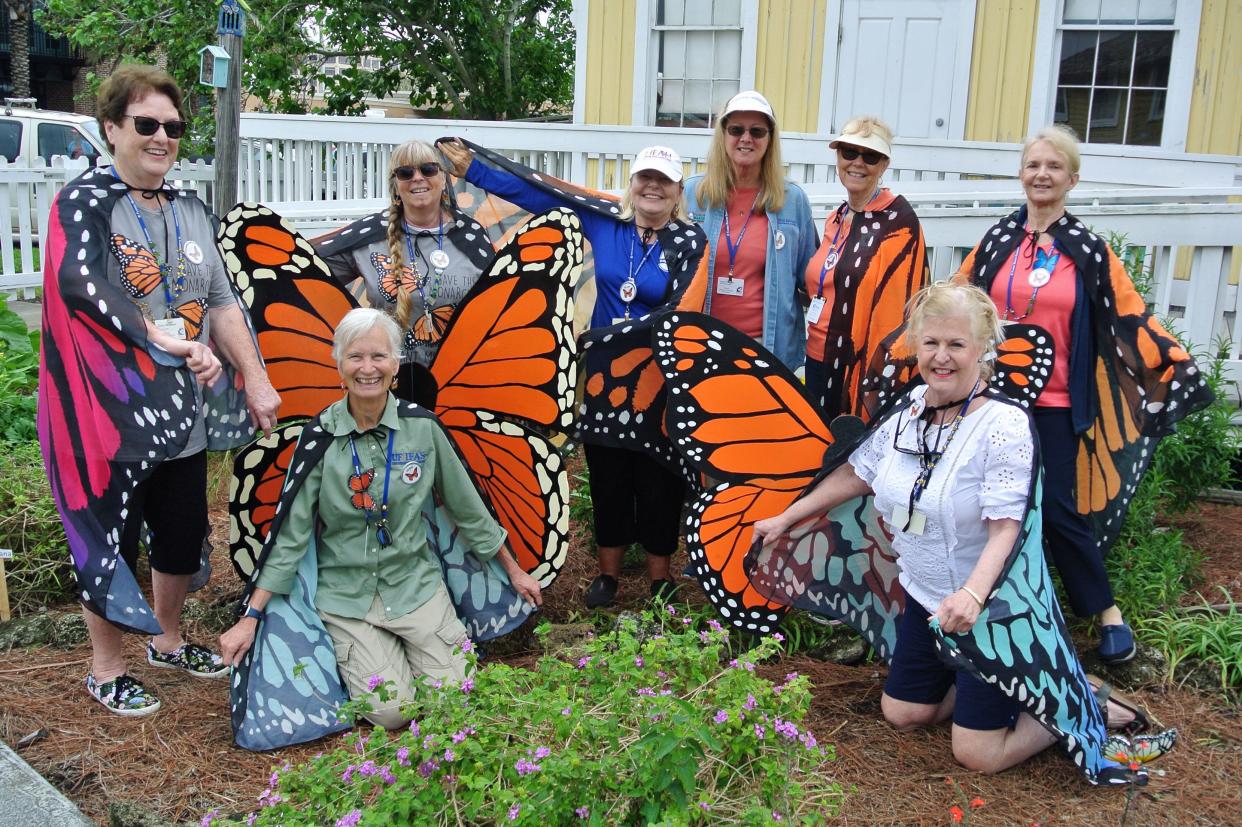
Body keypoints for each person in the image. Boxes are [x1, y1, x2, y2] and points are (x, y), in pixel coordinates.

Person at [752, 282, 1144, 777]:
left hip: (989, 613)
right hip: (926, 598)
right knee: (903, 713)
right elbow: (858, 473)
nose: (942, 357)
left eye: (957, 345)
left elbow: (1008, 530)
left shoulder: (1003, 425)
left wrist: (973, 596)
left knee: (977, 755)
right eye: (931, 343)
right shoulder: (912, 408)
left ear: (983, 351)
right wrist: (789, 516)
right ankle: (1017, 686)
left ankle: (1067, 703)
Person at [37, 64, 281, 717]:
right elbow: (80, 285)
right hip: (107, 414)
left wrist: (255, 378)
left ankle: (167, 641)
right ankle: (107, 666)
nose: (161, 137)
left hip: (183, 416)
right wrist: (162, 339)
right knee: (109, 534)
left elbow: (224, 301)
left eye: (172, 127)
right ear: (111, 127)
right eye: (146, 124)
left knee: (179, 532)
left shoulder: (190, 208)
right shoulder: (83, 202)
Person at [954, 125, 1213, 663]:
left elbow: (1130, 313)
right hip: (993, 402)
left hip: (1054, 404)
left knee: (1059, 513)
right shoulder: (998, 241)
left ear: (1072, 178)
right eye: (1033, 165)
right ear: (1021, 175)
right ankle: (991, 603)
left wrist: (1172, 366)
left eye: (1053, 167)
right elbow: (955, 301)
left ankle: (1106, 614)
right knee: (986, 506)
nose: (1041, 175)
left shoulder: (1089, 251)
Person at [219, 308, 541, 729]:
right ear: (339, 365)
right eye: (355, 357)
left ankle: (411, 653)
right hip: (348, 598)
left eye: (378, 357)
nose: (367, 368)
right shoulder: (319, 439)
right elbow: (290, 536)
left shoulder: (422, 429)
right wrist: (250, 618)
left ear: (394, 365)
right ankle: (367, 658)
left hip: (416, 586)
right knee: (391, 713)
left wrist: (514, 571)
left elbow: (468, 508)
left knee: (456, 701)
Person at [440, 139, 707, 608]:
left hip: (658, 381)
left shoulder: (691, 241)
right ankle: (608, 577)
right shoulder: (606, 220)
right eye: (645, 177)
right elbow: (544, 194)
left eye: (663, 181)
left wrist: (623, 336)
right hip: (604, 381)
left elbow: (682, 307)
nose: (652, 187)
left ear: (678, 190)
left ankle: (660, 580)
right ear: (632, 183)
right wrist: (478, 172)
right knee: (609, 477)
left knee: (659, 480)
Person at [313, 141, 496, 405]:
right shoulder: (369, 238)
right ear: (396, 185)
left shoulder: (472, 236)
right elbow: (306, 278)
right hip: (385, 383)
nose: (417, 178)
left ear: (444, 179)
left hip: (459, 384)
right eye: (405, 173)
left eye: (428, 169)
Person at [804, 116, 927, 420]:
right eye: (849, 152)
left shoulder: (898, 222)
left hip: (857, 366)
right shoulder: (836, 216)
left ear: (884, 164)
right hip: (816, 356)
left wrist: (876, 378)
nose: (858, 163)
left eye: (870, 156)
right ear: (838, 157)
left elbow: (898, 309)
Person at [683, 91, 816, 370]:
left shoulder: (792, 200)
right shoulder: (693, 194)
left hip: (765, 349)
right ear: (723, 135)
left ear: (770, 139)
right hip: (700, 343)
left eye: (757, 131)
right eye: (736, 130)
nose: (746, 138)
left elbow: (812, 281)